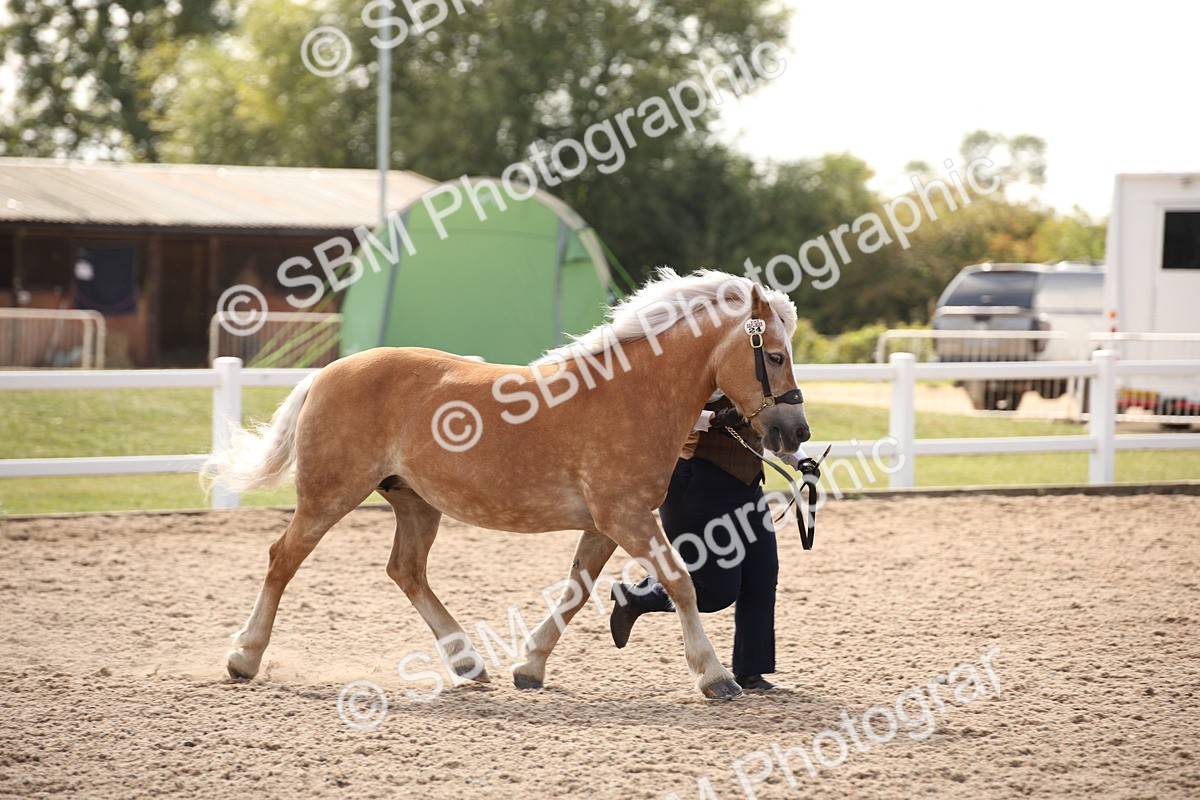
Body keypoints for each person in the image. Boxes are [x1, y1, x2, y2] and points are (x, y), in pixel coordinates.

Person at [609, 393, 819, 692]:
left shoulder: (754, 382)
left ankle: (751, 671)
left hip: (747, 488)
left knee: (762, 576)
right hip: (695, 486)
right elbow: (665, 411)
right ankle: (638, 596)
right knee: (717, 591)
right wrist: (712, 418)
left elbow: (771, 430)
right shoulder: (693, 369)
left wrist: (801, 460)